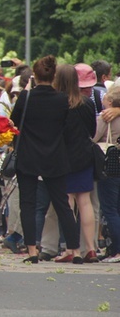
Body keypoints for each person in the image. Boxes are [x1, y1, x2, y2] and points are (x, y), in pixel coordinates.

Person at [9, 56, 82, 265]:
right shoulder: (62, 100)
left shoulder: (26, 98)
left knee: (28, 204)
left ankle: (32, 249)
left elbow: (13, 123)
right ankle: (75, 249)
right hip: (54, 156)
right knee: (63, 205)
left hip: (28, 156)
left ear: (35, 75)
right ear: (53, 76)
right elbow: (66, 130)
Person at [55, 64, 98, 263]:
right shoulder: (87, 103)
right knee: (85, 201)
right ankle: (91, 248)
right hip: (84, 155)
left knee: (67, 202)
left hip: (63, 157)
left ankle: (72, 249)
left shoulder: (58, 103)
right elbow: (92, 130)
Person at [95, 85, 120, 263]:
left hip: (110, 167)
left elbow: (93, 137)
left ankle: (117, 249)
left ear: (110, 101)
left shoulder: (106, 117)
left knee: (109, 209)